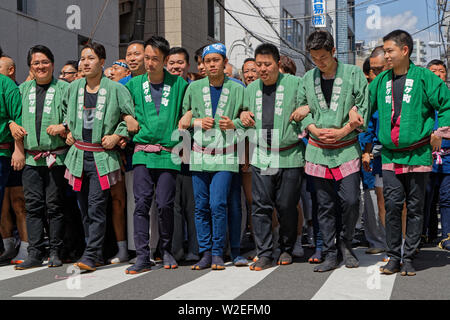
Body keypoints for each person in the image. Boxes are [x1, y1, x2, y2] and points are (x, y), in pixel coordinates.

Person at [369, 30, 450, 276]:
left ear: (405, 51)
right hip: (390, 154)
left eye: (390, 50)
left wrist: (440, 132)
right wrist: (354, 115)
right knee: (393, 205)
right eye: (385, 50)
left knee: (415, 207)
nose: (386, 55)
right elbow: (363, 105)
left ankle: (411, 255)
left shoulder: (425, 77)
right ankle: (394, 256)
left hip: (418, 154)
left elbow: (446, 105)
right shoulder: (381, 81)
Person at [292, 30, 370, 272]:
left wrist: (343, 130)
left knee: (350, 199)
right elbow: (298, 113)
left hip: (346, 148)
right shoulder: (307, 78)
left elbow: (363, 107)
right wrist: (312, 128)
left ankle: (346, 243)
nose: (319, 62)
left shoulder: (354, 74)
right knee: (323, 205)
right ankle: (329, 251)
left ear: (334, 52)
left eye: (323, 57)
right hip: (318, 151)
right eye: (314, 58)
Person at [63, 42, 134, 272]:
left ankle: (91, 255)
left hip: (102, 156)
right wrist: (67, 130)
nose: (84, 62)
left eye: (90, 58)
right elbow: (65, 114)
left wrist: (116, 136)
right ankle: (95, 251)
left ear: (102, 63)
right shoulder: (73, 88)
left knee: (96, 206)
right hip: (78, 155)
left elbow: (129, 119)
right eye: (82, 58)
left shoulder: (116, 89)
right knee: (83, 208)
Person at [123, 36, 188, 274]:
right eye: (147, 57)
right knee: (141, 204)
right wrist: (126, 117)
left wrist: (188, 114)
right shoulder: (132, 85)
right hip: (141, 153)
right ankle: (142, 255)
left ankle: (166, 249)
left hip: (169, 153)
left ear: (165, 60)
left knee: (165, 205)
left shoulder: (180, 85)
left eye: (155, 59)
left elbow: (190, 107)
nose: (149, 63)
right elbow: (119, 109)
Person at [238, 43, 305, 270]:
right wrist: (243, 113)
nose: (262, 69)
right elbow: (242, 112)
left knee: (286, 205)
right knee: (261, 205)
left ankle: (286, 248)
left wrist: (305, 109)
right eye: (259, 65)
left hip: (289, 155)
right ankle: (265, 252)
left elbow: (311, 105)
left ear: (278, 64)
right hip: (263, 156)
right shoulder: (250, 89)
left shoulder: (295, 84)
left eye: (267, 64)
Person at [182, 43, 244, 270]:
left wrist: (234, 123)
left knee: (218, 203)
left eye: (216, 60)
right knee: (200, 206)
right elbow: (183, 121)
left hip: (226, 154)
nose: (212, 65)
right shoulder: (193, 88)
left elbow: (248, 119)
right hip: (199, 153)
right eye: (208, 61)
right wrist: (196, 122)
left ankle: (218, 251)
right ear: (203, 65)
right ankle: (205, 252)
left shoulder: (238, 88)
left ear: (225, 62)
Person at [10, 45, 69, 270]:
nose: (41, 66)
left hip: (56, 157)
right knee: (33, 206)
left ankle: (55, 250)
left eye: (45, 62)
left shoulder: (64, 88)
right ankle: (35, 252)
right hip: (32, 159)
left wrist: (63, 126)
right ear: (30, 68)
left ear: (52, 64)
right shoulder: (22, 89)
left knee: (54, 206)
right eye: (36, 63)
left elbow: (72, 116)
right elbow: (13, 117)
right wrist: (13, 131)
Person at [166, 46, 199, 262]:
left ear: (188, 65)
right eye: (172, 63)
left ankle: (195, 249)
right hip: (168, 153)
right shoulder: (164, 89)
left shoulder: (194, 88)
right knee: (173, 205)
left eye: (180, 63)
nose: (176, 67)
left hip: (192, 152)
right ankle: (175, 250)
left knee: (192, 205)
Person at [359, 47, 390, 256]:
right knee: (372, 197)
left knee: (388, 200)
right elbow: (366, 127)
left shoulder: (390, 91)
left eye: (379, 70)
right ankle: (377, 240)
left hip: (386, 152)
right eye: (372, 71)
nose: (375, 75)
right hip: (365, 152)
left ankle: (393, 242)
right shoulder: (366, 95)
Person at [0, 54, 28, 265]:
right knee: (4, 206)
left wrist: (18, 150)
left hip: (8, 153)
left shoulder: (8, 85)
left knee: (18, 202)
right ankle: (7, 243)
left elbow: (17, 118)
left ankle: (26, 246)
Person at [424, 59, 450, 251]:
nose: (439, 74)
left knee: (446, 197)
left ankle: (447, 236)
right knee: (425, 197)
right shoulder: (422, 98)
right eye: (434, 71)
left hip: (448, 158)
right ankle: (426, 233)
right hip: (425, 157)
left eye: (442, 71)